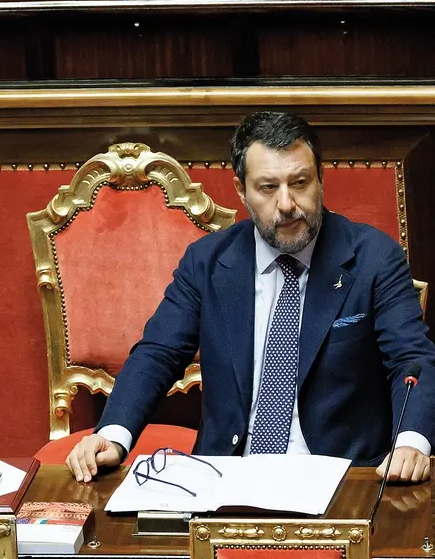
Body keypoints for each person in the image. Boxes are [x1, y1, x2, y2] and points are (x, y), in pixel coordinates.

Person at [65, 111, 435, 484]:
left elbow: (412, 359)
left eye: (300, 183)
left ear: (321, 180)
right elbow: (158, 353)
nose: (288, 204)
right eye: (268, 188)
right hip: (226, 476)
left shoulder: (373, 257)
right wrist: (113, 434)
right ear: (241, 191)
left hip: (341, 478)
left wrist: (411, 443)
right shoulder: (207, 262)